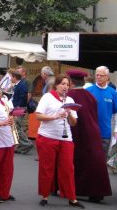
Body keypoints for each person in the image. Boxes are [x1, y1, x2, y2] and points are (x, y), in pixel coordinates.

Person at [35, 74, 84, 208]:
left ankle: (71, 198)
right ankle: (45, 196)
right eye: (62, 84)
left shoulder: (70, 99)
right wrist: (55, 116)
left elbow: (74, 123)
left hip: (66, 139)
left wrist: (69, 114)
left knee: (68, 169)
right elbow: (38, 115)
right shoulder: (47, 97)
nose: (65, 87)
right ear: (56, 85)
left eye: (67, 85)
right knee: (47, 168)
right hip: (47, 137)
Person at [66, 69, 112, 203]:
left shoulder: (70, 96)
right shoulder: (91, 96)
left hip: (77, 132)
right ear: (83, 81)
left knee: (73, 161)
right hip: (94, 132)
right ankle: (97, 192)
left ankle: (70, 188)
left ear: (71, 82)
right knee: (94, 161)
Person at [86, 66, 117, 156]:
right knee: (90, 158)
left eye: (101, 75)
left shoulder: (112, 93)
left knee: (102, 159)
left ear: (107, 77)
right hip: (90, 132)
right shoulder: (88, 91)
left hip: (105, 132)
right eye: (97, 75)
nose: (98, 77)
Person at [11, 70, 33, 154]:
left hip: (19, 108)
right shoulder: (18, 85)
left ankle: (26, 143)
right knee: (17, 126)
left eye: (11, 77)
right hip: (18, 108)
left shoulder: (21, 85)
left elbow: (23, 97)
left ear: (14, 77)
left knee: (16, 127)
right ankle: (22, 145)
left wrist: (17, 107)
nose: (10, 79)